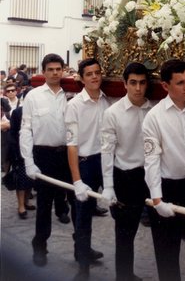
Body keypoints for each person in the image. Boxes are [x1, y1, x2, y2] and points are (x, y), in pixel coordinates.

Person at [142, 59, 185, 281]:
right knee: (167, 255)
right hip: (168, 188)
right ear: (165, 86)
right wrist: (157, 199)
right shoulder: (154, 117)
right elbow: (151, 159)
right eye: (180, 83)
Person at [101, 62, 155, 281]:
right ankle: (124, 276)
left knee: (160, 230)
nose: (138, 88)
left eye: (142, 83)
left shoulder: (154, 108)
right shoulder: (112, 113)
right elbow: (107, 151)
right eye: (133, 83)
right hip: (126, 178)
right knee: (125, 234)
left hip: (152, 176)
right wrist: (108, 187)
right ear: (125, 84)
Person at [20, 53, 73, 267]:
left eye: (58, 69)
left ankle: (82, 249)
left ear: (63, 70)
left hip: (67, 155)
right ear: (43, 72)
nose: (54, 73)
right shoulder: (33, 96)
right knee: (44, 205)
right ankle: (40, 247)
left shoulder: (71, 94)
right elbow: (26, 130)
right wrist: (29, 163)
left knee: (77, 202)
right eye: (50, 69)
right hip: (44, 156)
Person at [65, 58, 110, 280]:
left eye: (97, 73)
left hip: (105, 161)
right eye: (89, 74)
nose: (94, 77)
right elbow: (71, 145)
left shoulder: (105, 100)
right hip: (84, 163)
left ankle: (83, 251)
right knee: (83, 216)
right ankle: (83, 267)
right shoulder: (74, 105)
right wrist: (77, 180)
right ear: (82, 79)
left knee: (96, 210)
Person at [8, 87, 35, 218]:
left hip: (35, 151)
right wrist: (16, 153)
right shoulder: (18, 112)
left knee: (31, 179)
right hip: (20, 151)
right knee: (21, 180)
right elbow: (12, 134)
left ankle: (26, 201)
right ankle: (21, 206)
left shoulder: (38, 112)